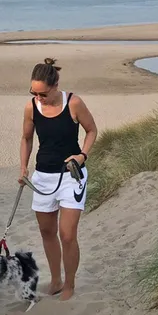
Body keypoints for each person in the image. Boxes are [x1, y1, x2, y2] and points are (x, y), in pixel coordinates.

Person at [19, 57, 97, 301]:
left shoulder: (73, 103)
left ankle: (70, 285)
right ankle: (55, 280)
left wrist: (82, 155)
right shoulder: (31, 107)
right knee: (46, 231)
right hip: (43, 176)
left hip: (71, 176)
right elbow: (27, 138)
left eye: (43, 93)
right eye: (34, 92)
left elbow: (92, 130)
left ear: (55, 85)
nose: (39, 97)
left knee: (67, 234)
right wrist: (23, 167)